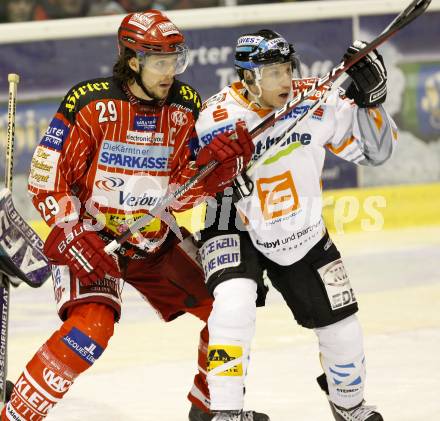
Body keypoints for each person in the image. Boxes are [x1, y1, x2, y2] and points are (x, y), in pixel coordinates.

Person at [1, 10, 258, 421]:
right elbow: (45, 178)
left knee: (230, 309)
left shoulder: (185, 105)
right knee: (92, 328)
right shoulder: (89, 102)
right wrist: (69, 231)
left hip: (153, 241)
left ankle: (209, 407)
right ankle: (15, 415)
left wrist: (214, 171)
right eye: (159, 61)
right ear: (132, 60)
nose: (170, 71)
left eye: (175, 59)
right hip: (93, 243)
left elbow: (179, 197)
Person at [189, 30, 396, 421]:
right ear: (248, 77)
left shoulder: (317, 101)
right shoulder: (215, 117)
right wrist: (209, 166)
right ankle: (226, 413)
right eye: (272, 73)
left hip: (299, 224)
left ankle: (349, 404)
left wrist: (373, 104)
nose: (284, 80)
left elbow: (376, 152)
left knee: (343, 327)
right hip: (230, 219)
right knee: (233, 309)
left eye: (287, 69)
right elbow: (188, 185)